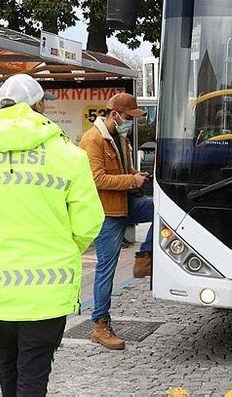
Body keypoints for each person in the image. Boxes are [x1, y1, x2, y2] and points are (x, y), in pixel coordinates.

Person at [0, 73, 103, 396]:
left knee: (6, 368)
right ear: (38, 105)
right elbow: (88, 223)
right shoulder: (69, 156)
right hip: (47, 294)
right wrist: (64, 245)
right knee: (34, 376)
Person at [79, 92, 154, 350]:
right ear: (115, 115)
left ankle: (145, 257)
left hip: (125, 204)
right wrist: (130, 181)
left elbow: (124, 171)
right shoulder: (93, 139)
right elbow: (96, 179)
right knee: (105, 270)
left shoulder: (120, 138)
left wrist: (136, 175)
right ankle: (100, 324)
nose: (131, 122)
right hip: (107, 213)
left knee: (163, 210)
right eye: (129, 117)